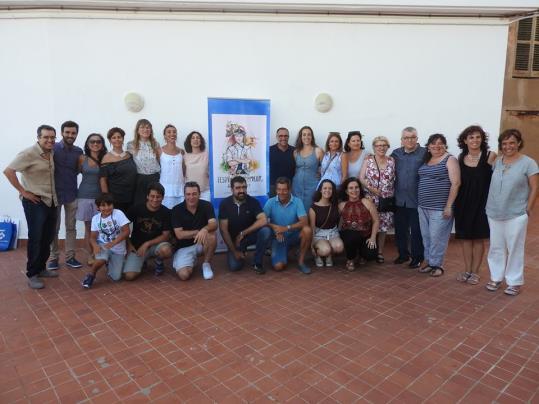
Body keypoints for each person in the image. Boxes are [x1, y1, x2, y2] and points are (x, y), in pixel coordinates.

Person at [4, 125, 60, 289]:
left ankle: (42, 268)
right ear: (38, 138)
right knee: (36, 238)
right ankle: (32, 274)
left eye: (52, 137)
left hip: (51, 201)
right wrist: (23, 191)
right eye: (46, 137)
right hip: (35, 202)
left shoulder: (51, 153)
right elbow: (8, 171)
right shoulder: (28, 153)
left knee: (48, 236)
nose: (50, 140)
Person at [485, 129, 538, 296]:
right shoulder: (497, 161)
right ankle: (496, 277)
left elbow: (535, 186)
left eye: (512, 143)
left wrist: (528, 208)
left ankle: (514, 281)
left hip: (516, 213)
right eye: (505, 143)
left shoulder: (528, 163)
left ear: (519, 143)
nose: (508, 146)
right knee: (496, 247)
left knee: (515, 247)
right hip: (494, 212)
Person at [454, 125, 496, 285]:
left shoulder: (490, 156)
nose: (475, 140)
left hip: (482, 204)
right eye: (471, 137)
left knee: (478, 239)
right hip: (463, 203)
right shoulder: (460, 157)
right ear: (465, 140)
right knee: (465, 239)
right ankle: (467, 270)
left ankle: (476, 272)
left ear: (482, 139)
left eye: (478, 137)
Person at [417, 134, 461, 277]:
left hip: (440, 208)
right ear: (428, 146)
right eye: (433, 143)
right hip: (423, 206)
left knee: (437, 238)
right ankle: (429, 261)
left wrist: (449, 206)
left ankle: (437, 265)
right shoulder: (427, 159)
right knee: (426, 236)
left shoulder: (450, 159)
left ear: (445, 145)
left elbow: (456, 183)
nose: (437, 146)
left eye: (440, 143)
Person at [48, 121, 83, 270]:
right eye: (67, 132)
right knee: (53, 228)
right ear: (62, 133)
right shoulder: (53, 148)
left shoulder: (78, 151)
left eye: (73, 133)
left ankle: (70, 257)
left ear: (76, 134)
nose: (70, 135)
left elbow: (78, 170)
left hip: (71, 194)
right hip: (54, 195)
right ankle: (53, 258)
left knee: (71, 227)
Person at [218, 176, 271, 274]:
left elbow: (263, 220)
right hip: (235, 241)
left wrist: (243, 233)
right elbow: (223, 230)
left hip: (248, 236)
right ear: (232, 189)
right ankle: (238, 252)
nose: (242, 190)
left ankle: (257, 262)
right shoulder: (225, 204)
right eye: (238, 188)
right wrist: (234, 251)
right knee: (235, 266)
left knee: (266, 231)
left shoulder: (253, 202)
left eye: (244, 187)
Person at [390, 127, 426, 268]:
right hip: (399, 199)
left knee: (416, 231)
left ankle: (417, 257)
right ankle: (403, 254)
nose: (409, 140)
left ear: (417, 138)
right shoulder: (396, 154)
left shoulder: (425, 153)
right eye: (406, 138)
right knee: (400, 230)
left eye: (412, 137)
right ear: (402, 140)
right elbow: (384, 163)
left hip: (417, 199)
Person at [123, 183, 173, 279]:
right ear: (147, 196)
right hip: (137, 247)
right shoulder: (136, 209)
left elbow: (165, 235)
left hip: (156, 245)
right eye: (152, 196)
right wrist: (128, 245)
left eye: (158, 197)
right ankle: (142, 262)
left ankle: (159, 261)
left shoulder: (166, 212)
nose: (155, 199)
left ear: (163, 197)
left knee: (166, 250)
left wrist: (147, 244)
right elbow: (123, 228)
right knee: (129, 276)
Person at [263, 177, 312, 274]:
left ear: (289, 190)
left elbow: (304, 222)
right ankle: (284, 251)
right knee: (278, 267)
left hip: (293, 236)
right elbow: (261, 220)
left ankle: (301, 261)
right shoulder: (270, 202)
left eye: (284, 190)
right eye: (279, 189)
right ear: (276, 190)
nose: (281, 192)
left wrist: (285, 228)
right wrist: (275, 228)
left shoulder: (297, 201)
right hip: (279, 238)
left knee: (307, 230)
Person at [81, 193, 130, 289]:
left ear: (113, 205)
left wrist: (113, 243)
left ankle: (109, 262)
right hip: (103, 245)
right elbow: (93, 237)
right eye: (103, 205)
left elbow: (126, 231)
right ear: (98, 207)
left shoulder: (118, 213)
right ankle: (91, 275)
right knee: (101, 258)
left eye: (109, 205)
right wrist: (95, 246)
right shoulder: (95, 219)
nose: (107, 208)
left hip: (118, 249)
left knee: (116, 277)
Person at [359, 136, 395, 263]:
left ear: (387, 147)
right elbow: (361, 178)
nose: (381, 148)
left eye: (384, 145)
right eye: (378, 145)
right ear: (374, 147)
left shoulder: (391, 161)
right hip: (371, 198)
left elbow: (395, 179)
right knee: (368, 224)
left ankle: (379, 252)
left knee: (383, 227)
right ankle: (366, 251)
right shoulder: (368, 160)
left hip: (386, 199)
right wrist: (372, 189)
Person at [171, 181, 217, 280]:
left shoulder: (207, 205)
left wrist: (205, 229)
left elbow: (213, 224)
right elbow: (179, 235)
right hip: (184, 247)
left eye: (194, 194)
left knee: (212, 237)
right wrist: (198, 232)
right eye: (188, 194)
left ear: (199, 194)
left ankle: (206, 264)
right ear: (184, 195)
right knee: (184, 275)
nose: (191, 197)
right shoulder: (176, 210)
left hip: (201, 243)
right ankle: (190, 261)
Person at [76, 133, 108, 266]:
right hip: (84, 196)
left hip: (100, 198)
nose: (95, 144)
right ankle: (91, 254)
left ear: (102, 144)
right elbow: (74, 173)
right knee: (89, 228)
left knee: (102, 227)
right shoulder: (82, 158)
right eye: (92, 141)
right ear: (88, 144)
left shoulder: (106, 158)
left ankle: (101, 253)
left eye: (98, 142)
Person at [338, 177, 379, 271]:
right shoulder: (341, 205)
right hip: (350, 235)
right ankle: (350, 259)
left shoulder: (367, 202)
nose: (354, 190)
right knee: (352, 236)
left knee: (371, 254)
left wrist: (373, 238)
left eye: (356, 187)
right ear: (346, 191)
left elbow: (376, 221)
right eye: (351, 188)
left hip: (366, 235)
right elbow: (334, 221)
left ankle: (362, 254)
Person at [100, 127, 137, 214]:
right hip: (116, 198)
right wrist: (106, 199)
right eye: (114, 137)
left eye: (119, 137)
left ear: (123, 138)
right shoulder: (106, 158)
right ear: (110, 140)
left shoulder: (129, 155)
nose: (117, 139)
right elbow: (103, 180)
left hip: (132, 195)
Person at [309, 179, 343, 267]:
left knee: (339, 247)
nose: (327, 190)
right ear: (320, 190)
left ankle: (329, 255)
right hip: (319, 235)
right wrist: (312, 245)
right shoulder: (313, 207)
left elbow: (341, 219)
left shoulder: (336, 205)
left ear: (333, 191)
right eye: (325, 188)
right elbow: (312, 227)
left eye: (330, 188)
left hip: (333, 233)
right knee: (324, 250)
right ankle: (318, 255)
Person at [127, 119, 161, 205]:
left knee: (154, 202)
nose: (145, 130)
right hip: (140, 178)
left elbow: (158, 160)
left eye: (148, 127)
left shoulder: (155, 144)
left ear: (151, 130)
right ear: (137, 130)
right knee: (140, 203)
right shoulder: (131, 144)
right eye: (142, 127)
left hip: (154, 177)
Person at [292, 126, 323, 212]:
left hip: (312, 186)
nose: (306, 137)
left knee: (310, 209)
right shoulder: (296, 152)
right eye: (304, 135)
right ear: (300, 137)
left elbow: (324, 167)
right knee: (297, 209)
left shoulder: (318, 150)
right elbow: (295, 169)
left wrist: (320, 173)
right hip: (297, 186)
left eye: (309, 135)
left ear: (312, 137)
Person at [160, 124, 185, 209]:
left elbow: (183, 170)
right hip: (165, 191)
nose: (172, 134)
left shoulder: (182, 151)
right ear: (165, 136)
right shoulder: (159, 151)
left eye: (174, 132)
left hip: (180, 190)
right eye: (169, 132)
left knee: (180, 215)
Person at [184, 131, 210, 201]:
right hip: (190, 194)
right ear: (189, 141)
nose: (195, 139)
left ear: (201, 141)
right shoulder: (185, 156)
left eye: (198, 138)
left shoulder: (207, 155)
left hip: (205, 192)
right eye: (193, 138)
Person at [269, 127, 295, 197]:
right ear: (277, 137)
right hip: (273, 187)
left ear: (288, 137)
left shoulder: (294, 151)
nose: (283, 138)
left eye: (286, 136)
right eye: (281, 136)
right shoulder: (269, 150)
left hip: (289, 188)